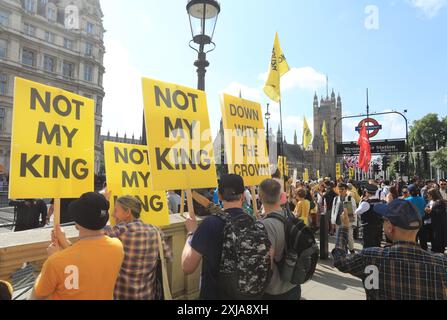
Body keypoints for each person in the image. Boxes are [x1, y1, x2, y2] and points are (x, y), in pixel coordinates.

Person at [333, 199, 447, 300]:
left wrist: (344, 227)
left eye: (384, 220)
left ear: (390, 227)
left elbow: (340, 260)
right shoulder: (441, 263)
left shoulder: (371, 257)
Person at [31, 192, 124, 300]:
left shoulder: (56, 261)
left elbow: (36, 296)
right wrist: (65, 242)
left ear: (78, 221)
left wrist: (52, 258)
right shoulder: (117, 246)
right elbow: (87, 259)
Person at [181, 174, 247, 300]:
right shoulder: (256, 224)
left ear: (220, 195)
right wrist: (193, 193)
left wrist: (191, 233)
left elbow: (187, 266)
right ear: (243, 196)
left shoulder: (210, 224)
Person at [103, 195, 172, 300]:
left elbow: (95, 231)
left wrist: (104, 203)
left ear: (128, 213)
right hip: (148, 294)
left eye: (116, 210)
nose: (113, 214)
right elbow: (169, 257)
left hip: (123, 295)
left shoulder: (119, 231)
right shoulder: (156, 231)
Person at [260, 179, 301, 300]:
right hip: (293, 285)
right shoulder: (291, 217)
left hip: (274, 291)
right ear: (280, 196)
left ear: (260, 197)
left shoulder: (264, 225)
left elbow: (267, 262)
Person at [331, 183, 357, 254]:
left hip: (348, 222)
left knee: (349, 238)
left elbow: (354, 212)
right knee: (339, 237)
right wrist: (332, 222)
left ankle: (352, 251)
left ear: (346, 190)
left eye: (342, 189)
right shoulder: (336, 198)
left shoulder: (350, 199)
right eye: (339, 189)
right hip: (338, 221)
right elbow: (333, 210)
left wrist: (354, 223)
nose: (340, 191)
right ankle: (341, 252)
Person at [355, 184, 383, 248]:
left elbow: (357, 212)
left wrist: (361, 201)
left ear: (367, 193)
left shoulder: (366, 203)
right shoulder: (380, 202)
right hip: (379, 226)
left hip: (368, 227)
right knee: (377, 245)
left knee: (368, 246)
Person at [405, 185, 427, 249]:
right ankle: (424, 249)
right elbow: (424, 208)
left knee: (413, 236)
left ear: (409, 192)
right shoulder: (422, 199)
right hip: (421, 219)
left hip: (411, 220)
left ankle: (414, 250)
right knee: (422, 236)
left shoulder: (407, 200)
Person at [425, 189, 447, 254]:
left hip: (439, 225)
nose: (427, 196)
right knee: (434, 239)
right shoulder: (432, 201)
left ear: (432, 195)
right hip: (433, 224)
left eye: (428, 194)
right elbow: (428, 206)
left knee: (438, 240)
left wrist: (430, 211)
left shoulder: (439, 202)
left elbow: (439, 213)